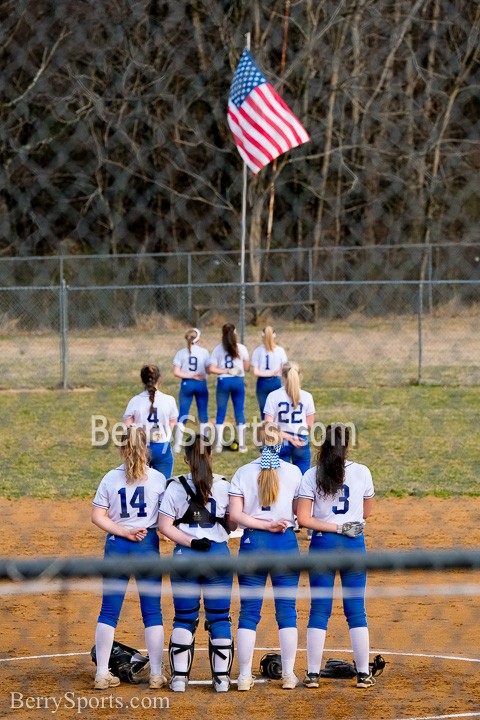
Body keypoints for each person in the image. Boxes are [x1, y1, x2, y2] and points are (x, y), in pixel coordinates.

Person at [296, 423, 376, 690]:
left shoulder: (311, 475)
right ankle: (364, 674)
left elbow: (304, 519)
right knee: (356, 611)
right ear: (347, 445)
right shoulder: (362, 472)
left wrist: (334, 525)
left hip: (323, 545)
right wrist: (346, 525)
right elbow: (367, 512)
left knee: (319, 610)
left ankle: (313, 675)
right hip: (353, 544)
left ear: (323, 445)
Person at [158, 434, 237, 693]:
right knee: (219, 618)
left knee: (184, 618)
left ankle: (179, 679)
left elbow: (164, 526)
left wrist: (191, 542)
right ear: (211, 454)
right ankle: (222, 680)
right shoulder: (225, 486)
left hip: (185, 557)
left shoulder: (174, 486)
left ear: (185, 459)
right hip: (218, 557)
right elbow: (234, 523)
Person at [91, 425, 167, 690]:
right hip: (146, 546)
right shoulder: (157, 479)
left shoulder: (110, 479)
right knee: (152, 612)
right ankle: (156, 674)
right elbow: (165, 520)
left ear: (122, 449)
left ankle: (102, 673)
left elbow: (97, 516)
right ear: (146, 448)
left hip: (117, 546)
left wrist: (124, 530)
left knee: (108, 611)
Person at [228, 421, 302, 691]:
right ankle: (289, 675)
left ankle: (245, 676)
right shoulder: (294, 472)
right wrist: (275, 523)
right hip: (285, 543)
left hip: (252, 543)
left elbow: (235, 517)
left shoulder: (243, 472)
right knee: (287, 612)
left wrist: (262, 524)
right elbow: (298, 514)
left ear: (258, 443)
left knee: (248, 612)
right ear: (280, 443)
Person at [123, 365, 178, 479]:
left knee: (141, 482)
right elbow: (173, 420)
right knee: (164, 484)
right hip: (162, 447)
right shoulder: (169, 400)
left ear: (142, 381)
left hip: (141, 447)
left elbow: (128, 424)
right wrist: (167, 435)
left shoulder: (135, 401)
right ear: (159, 379)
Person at [263, 362, 315, 474]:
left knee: (275, 479)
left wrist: (287, 436)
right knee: (304, 479)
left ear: (283, 376)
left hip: (277, 439)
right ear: (299, 375)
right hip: (301, 440)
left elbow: (268, 425)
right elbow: (309, 425)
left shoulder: (273, 396)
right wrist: (294, 436)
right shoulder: (307, 396)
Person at [207, 322, 250, 453]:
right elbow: (247, 367)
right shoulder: (241, 348)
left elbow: (211, 368)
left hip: (223, 381)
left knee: (221, 412)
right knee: (239, 412)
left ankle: (219, 445)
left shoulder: (218, 349)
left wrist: (225, 370)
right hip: (238, 381)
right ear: (235, 333)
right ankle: (242, 445)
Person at [172, 328, 211, 453]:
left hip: (186, 384)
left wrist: (189, 376)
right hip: (201, 384)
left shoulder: (181, 353)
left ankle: (177, 445)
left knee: (183, 414)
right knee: (203, 414)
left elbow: (176, 372)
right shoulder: (204, 352)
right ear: (198, 339)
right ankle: (205, 444)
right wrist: (200, 374)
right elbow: (209, 369)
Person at [251, 326, 288, 419]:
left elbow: (255, 372)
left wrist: (267, 373)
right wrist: (273, 373)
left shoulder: (257, 351)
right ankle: (277, 431)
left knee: (264, 412)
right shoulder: (280, 351)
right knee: (277, 411)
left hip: (262, 383)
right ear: (274, 336)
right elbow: (284, 368)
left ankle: (266, 432)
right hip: (275, 382)